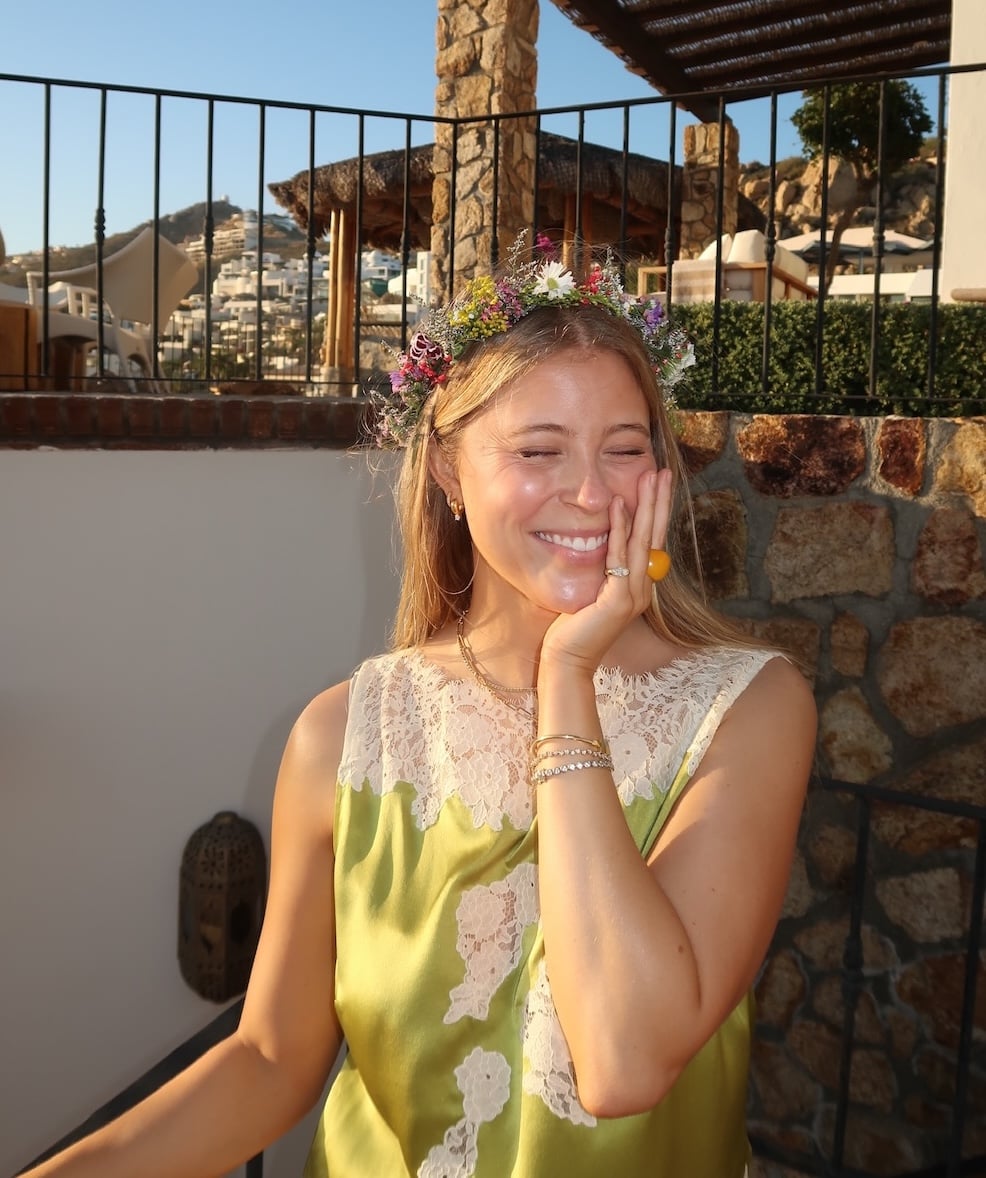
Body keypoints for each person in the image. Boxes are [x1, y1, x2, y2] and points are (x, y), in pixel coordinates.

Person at [21, 241, 816, 1178]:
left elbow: (625, 1060)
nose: (591, 493)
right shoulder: (343, 736)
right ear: (446, 468)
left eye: (625, 448)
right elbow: (271, 1059)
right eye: (539, 450)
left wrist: (567, 680)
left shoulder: (744, 711)